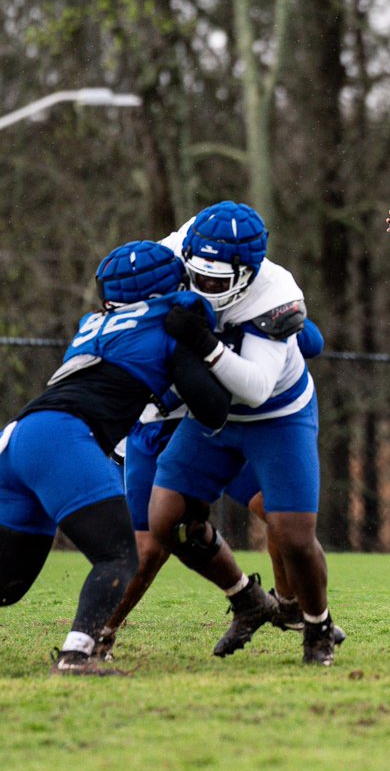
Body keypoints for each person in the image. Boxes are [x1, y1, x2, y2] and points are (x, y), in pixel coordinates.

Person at [0, 241, 232, 674]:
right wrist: (203, 343)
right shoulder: (167, 327)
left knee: (2, 583)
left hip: (18, 438)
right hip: (62, 437)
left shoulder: (95, 324)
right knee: (120, 555)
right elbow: (213, 410)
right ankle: (76, 656)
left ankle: (77, 653)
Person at [142, 201, 339, 666]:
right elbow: (138, 276)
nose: (203, 288)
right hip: (213, 417)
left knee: (293, 536)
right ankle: (245, 597)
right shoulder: (180, 250)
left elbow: (255, 388)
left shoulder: (276, 292)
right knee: (166, 519)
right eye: (197, 277)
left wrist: (204, 342)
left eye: (216, 282)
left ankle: (317, 627)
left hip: (278, 416)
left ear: (247, 273)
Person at [96, 317, 345, 658]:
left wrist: (272, 316)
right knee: (150, 547)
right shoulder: (150, 315)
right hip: (156, 430)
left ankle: (289, 606)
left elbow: (312, 341)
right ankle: (99, 636)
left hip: (217, 427)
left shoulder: (236, 303)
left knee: (279, 510)